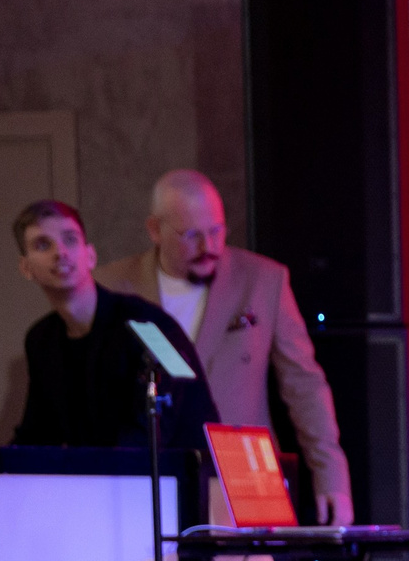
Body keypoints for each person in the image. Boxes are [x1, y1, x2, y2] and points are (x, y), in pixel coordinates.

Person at [97, 170, 354, 522]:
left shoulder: (264, 280)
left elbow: (304, 385)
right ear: (155, 230)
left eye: (217, 230)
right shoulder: (113, 286)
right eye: (192, 235)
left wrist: (332, 477)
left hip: (248, 473)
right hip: (150, 478)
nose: (210, 248)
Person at [11, 200, 217, 451]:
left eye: (70, 239)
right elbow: (38, 433)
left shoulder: (146, 323)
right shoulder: (41, 339)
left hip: (179, 479)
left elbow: (152, 434)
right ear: (26, 268)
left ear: (91, 256)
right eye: (43, 245)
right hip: (106, 480)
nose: (60, 252)